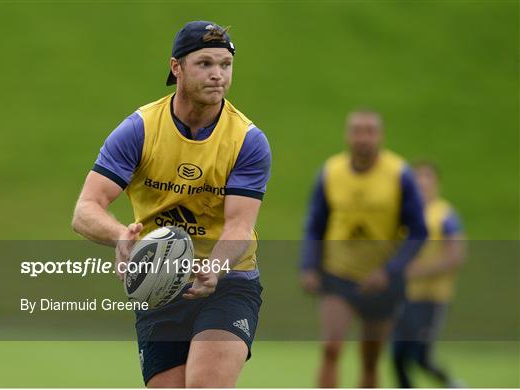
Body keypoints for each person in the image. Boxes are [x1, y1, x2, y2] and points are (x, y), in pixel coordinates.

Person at [72, 21, 271, 388]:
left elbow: (240, 226)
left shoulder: (247, 141)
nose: (217, 75)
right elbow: (85, 209)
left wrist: (215, 268)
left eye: (225, 65)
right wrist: (119, 235)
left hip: (228, 280)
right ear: (176, 67)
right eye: (205, 64)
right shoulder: (140, 129)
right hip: (158, 282)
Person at [299, 110, 427, 388]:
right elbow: (314, 224)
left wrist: (390, 271)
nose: (363, 138)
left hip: (380, 281)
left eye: (370, 131)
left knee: (370, 358)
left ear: (380, 136)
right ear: (348, 135)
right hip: (338, 273)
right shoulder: (331, 172)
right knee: (331, 348)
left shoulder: (399, 174)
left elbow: (419, 231)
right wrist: (308, 266)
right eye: (357, 131)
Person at [392, 161, 466, 388]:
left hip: (431, 298)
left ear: (436, 184)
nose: (422, 183)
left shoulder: (444, 215)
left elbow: (456, 255)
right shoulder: (403, 213)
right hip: (404, 296)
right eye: (417, 178)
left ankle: (451, 383)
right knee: (396, 356)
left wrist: (419, 270)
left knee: (419, 356)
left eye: (427, 178)